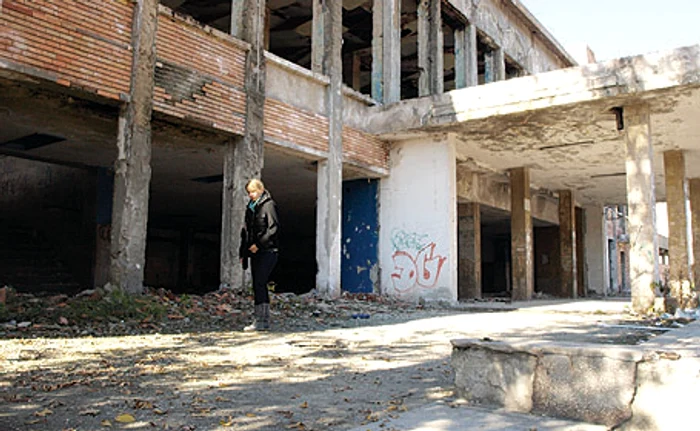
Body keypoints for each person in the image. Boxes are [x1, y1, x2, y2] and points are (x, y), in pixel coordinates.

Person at [240, 179, 279, 331]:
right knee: (257, 284)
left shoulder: (268, 206)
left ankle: (262, 320)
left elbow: (273, 229)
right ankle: (260, 319)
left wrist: (259, 244)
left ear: (261, 190)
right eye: (249, 192)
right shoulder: (250, 209)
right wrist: (243, 252)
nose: (251, 195)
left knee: (260, 283)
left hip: (268, 251)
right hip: (254, 252)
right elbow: (246, 233)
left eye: (253, 192)